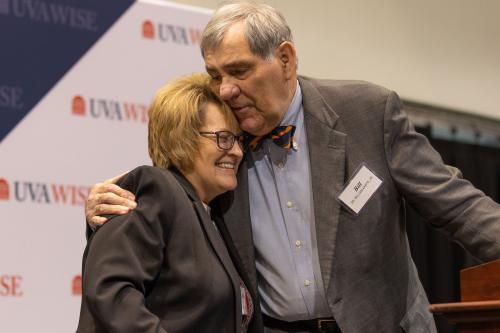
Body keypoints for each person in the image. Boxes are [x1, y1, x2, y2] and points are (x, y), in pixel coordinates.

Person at [84, 2, 500, 333]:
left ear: (285, 59)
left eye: (240, 71)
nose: (226, 89)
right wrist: (107, 209)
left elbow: (460, 208)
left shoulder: (366, 113)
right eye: (215, 75)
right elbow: (164, 216)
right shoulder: (222, 147)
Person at [77, 73, 258, 333]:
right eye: (224, 138)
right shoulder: (155, 188)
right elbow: (111, 292)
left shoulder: (214, 216)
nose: (237, 151)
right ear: (181, 137)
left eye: (238, 140)